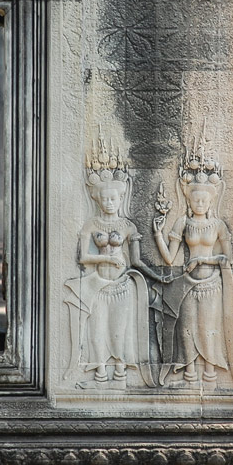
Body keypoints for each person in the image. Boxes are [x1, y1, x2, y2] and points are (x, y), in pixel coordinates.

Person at [153, 150, 233, 390]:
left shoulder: (218, 225)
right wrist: (157, 232)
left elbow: (228, 257)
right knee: (186, 330)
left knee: (209, 331)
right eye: (195, 199)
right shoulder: (183, 223)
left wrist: (203, 261)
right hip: (188, 283)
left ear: (211, 201)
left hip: (211, 284)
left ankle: (210, 374)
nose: (199, 203)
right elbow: (169, 257)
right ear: (188, 199)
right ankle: (190, 374)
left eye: (204, 200)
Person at [64, 155, 155, 389]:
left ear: (120, 197)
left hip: (122, 286)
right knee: (96, 333)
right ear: (96, 198)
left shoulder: (128, 226)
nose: (109, 202)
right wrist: (106, 258)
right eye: (104, 198)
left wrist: (157, 277)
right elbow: (83, 257)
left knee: (119, 333)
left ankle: (121, 377)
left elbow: (135, 260)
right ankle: (101, 376)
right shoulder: (91, 225)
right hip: (98, 285)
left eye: (113, 198)